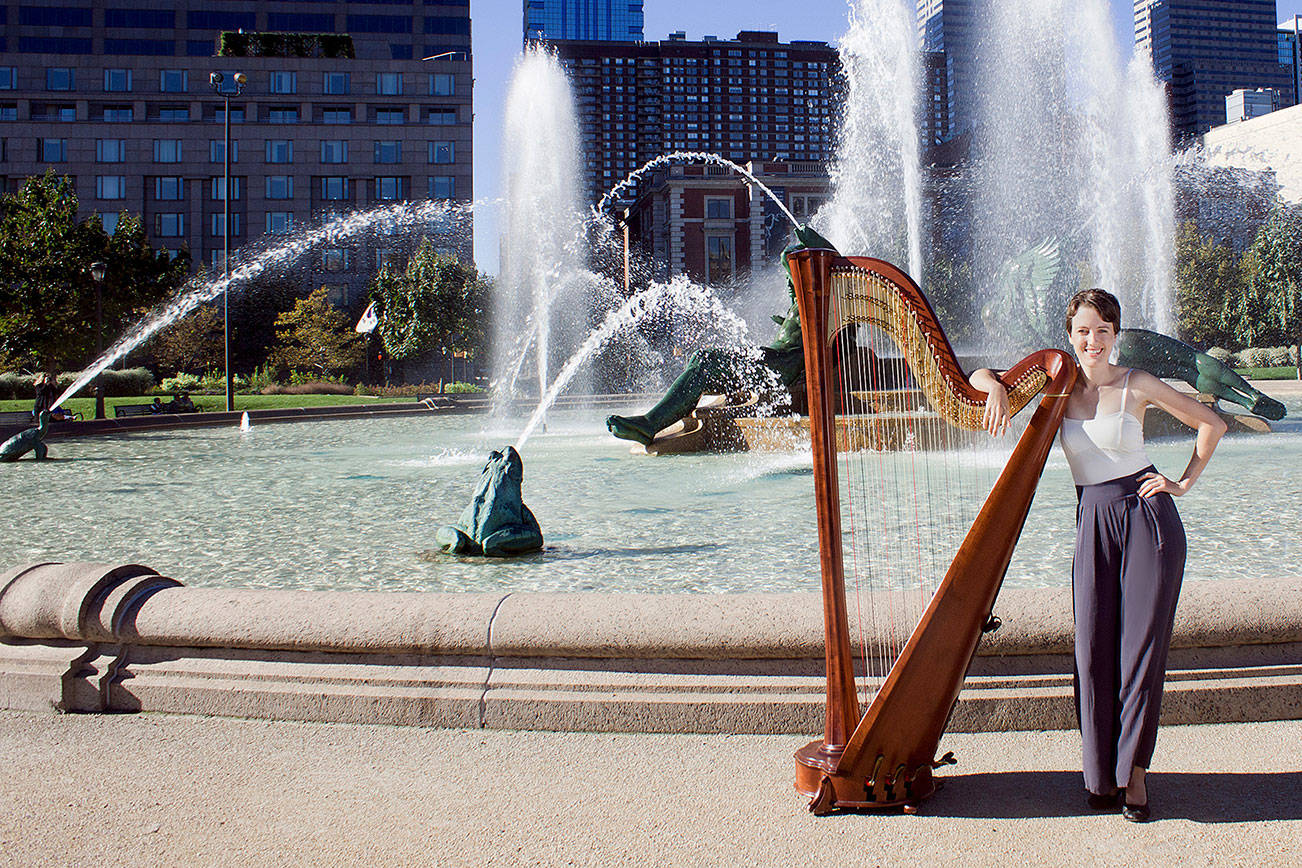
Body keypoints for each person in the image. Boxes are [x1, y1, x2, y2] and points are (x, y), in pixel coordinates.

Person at [970, 289, 1226, 823]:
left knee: (1139, 653)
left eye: (1103, 331)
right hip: (1092, 521)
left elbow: (1212, 424)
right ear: (1070, 335)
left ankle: (1133, 775)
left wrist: (1181, 482)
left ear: (1115, 335)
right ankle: (1100, 774)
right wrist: (993, 387)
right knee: (1090, 651)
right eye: (1083, 331)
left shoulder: (1137, 383)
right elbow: (976, 377)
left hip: (1146, 518)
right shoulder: (1055, 386)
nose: (1092, 340)